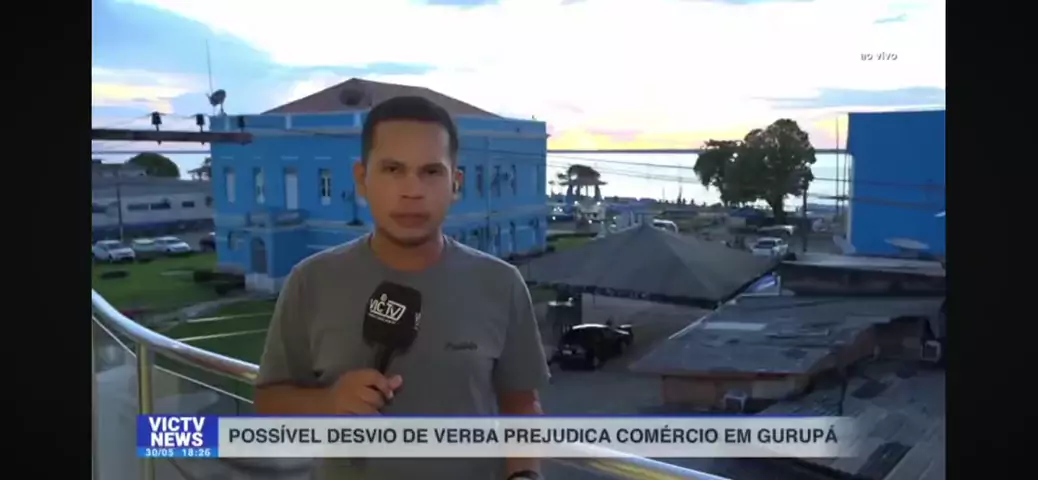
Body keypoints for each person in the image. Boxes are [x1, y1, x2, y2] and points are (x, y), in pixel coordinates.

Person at [254, 96, 550, 480]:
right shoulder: (311, 281)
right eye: (393, 169)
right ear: (362, 179)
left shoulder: (501, 284)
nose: (412, 190)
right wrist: (328, 402)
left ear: (455, 184)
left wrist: (524, 476)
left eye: (431, 171)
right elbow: (269, 403)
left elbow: (521, 405)